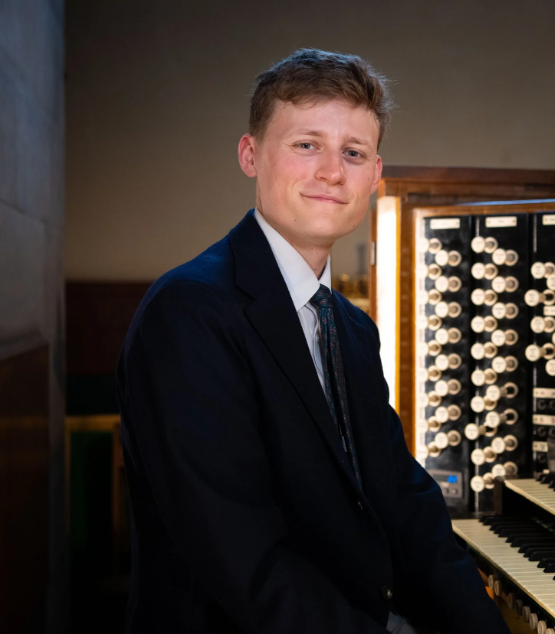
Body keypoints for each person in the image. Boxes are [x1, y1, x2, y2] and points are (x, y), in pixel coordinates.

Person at [117, 49, 508, 634]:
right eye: (307, 145)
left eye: (353, 153)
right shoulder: (189, 312)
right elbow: (242, 559)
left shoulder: (349, 328)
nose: (332, 172)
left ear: (375, 176)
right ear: (251, 155)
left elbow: (406, 508)